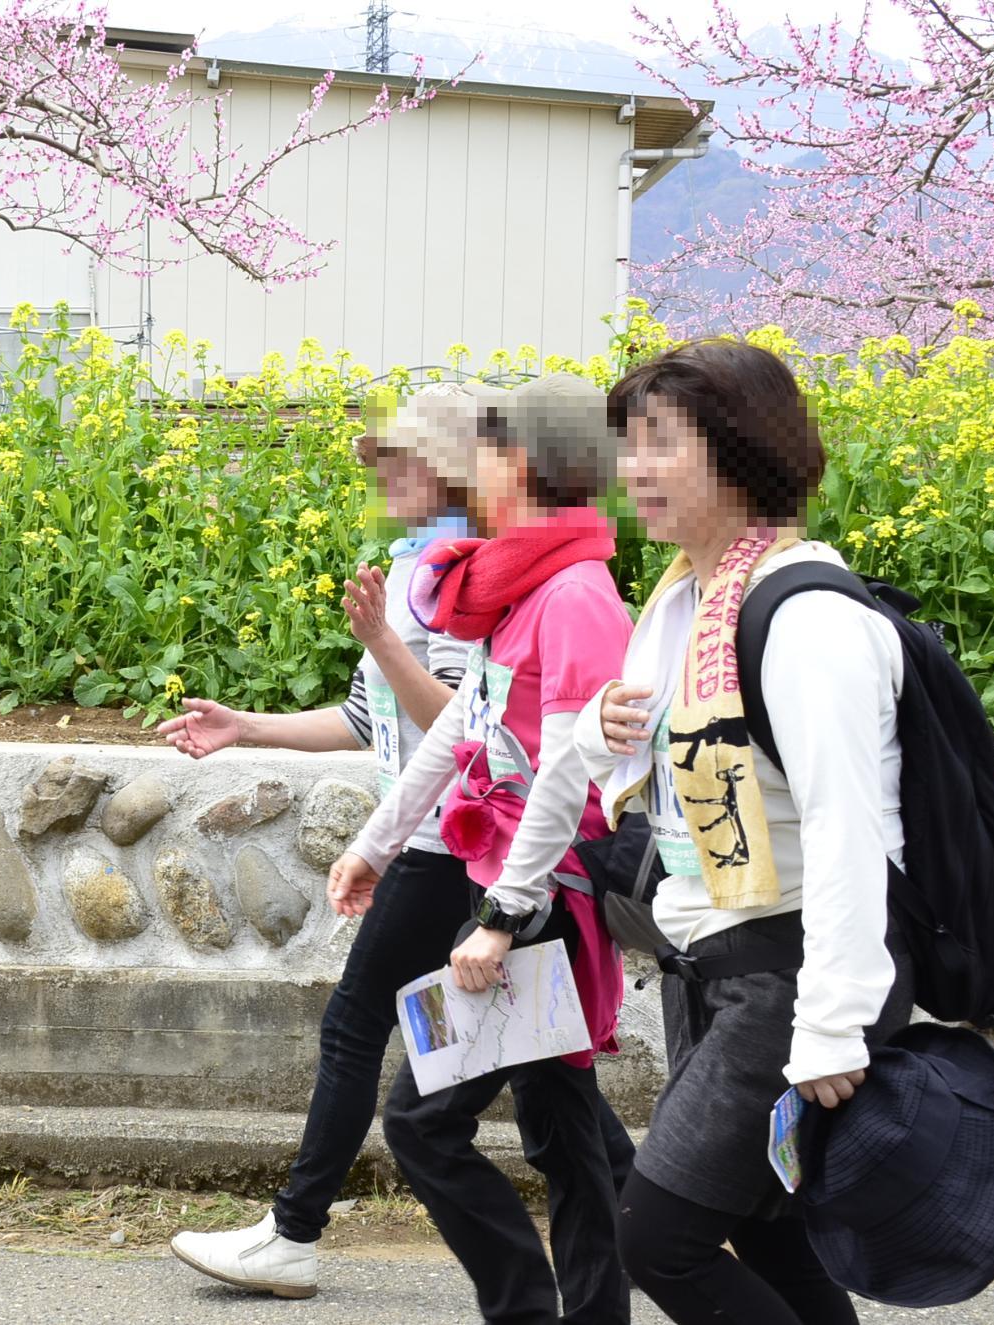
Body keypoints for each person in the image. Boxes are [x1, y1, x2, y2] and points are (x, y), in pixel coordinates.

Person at [582, 340, 915, 1325]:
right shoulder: (684, 597)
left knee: (657, 1238)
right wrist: (601, 723)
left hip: (792, 960)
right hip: (715, 952)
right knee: (764, 1225)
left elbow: (847, 822)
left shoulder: (803, 613)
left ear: (738, 450)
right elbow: (647, 769)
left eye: (659, 444)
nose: (632, 469)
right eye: (626, 445)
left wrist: (829, 1021)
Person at [322, 372, 637, 1325]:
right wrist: (376, 845)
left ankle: (530, 1307)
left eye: (490, 451)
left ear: (526, 463)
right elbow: (467, 729)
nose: (475, 469)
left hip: (541, 897)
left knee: (425, 1122)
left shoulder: (575, 598)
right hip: (512, 890)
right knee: (567, 1137)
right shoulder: (525, 587)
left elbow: (570, 776)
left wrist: (504, 917)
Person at [162, 384, 484, 1300]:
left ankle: (294, 1233)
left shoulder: (463, 573)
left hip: (450, 840)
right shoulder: (413, 564)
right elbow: (367, 720)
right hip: (428, 837)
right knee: (533, 1075)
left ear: (448, 466)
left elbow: (458, 727)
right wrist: (246, 728)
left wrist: (384, 638)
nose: (379, 475)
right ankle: (638, 1218)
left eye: (396, 459)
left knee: (355, 1023)